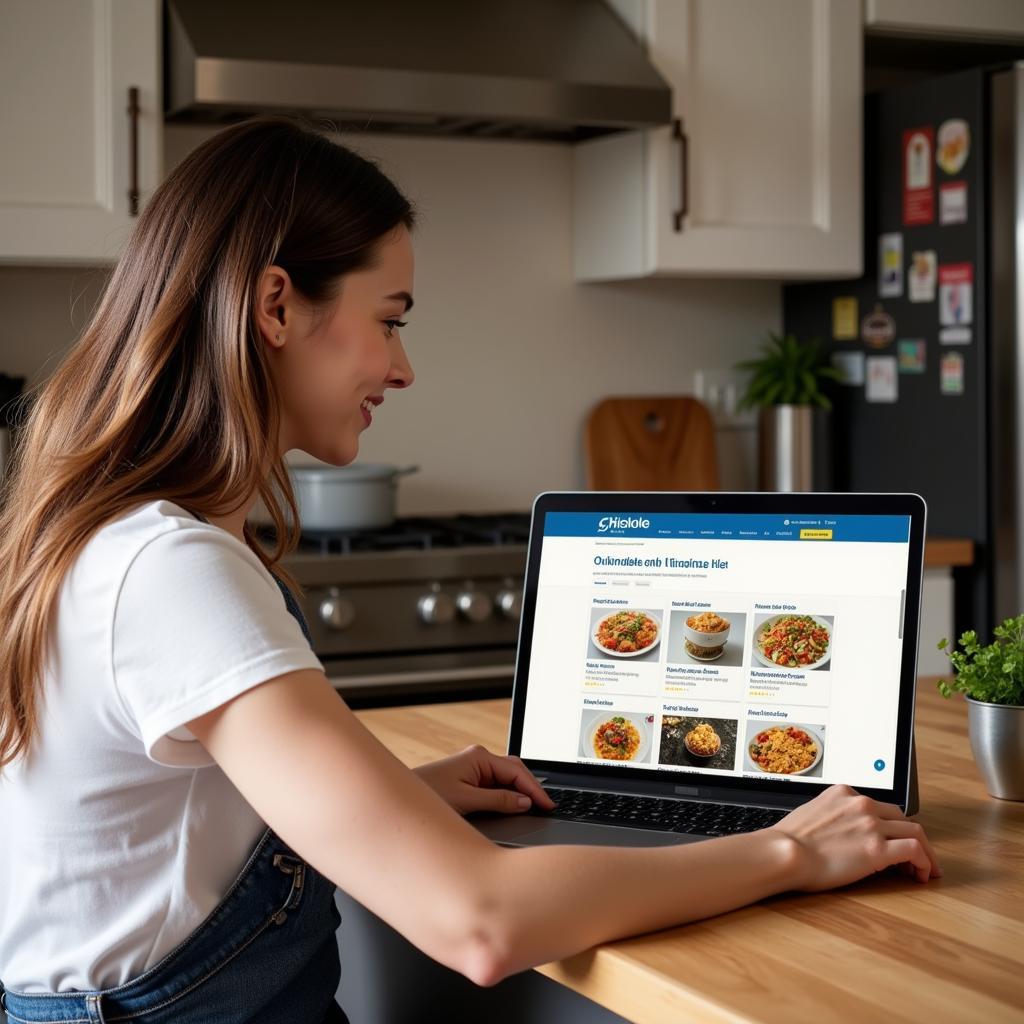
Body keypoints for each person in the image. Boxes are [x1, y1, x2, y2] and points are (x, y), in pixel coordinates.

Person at [0, 116, 941, 1024]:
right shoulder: (173, 570)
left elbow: (172, 837)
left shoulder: (117, 535)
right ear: (276, 304)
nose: (402, 368)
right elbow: (480, 922)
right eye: (390, 319)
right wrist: (786, 850)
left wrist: (399, 796)